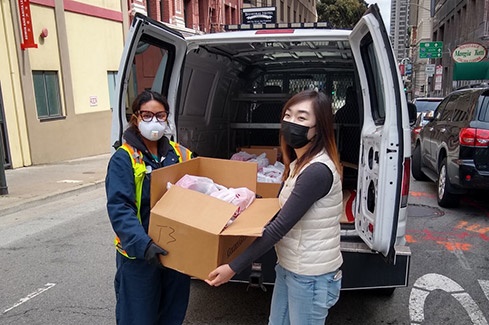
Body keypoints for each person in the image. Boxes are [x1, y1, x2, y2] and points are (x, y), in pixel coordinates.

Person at [206, 89, 343, 324]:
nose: (291, 123)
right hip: (289, 266)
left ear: (318, 128)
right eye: (288, 115)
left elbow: (280, 226)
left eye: (301, 118)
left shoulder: (317, 171)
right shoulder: (298, 163)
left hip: (310, 276)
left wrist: (233, 266)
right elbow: (277, 208)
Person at [105, 90, 194, 325]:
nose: (154, 121)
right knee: (138, 318)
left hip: (176, 250)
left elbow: (204, 189)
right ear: (135, 118)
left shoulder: (180, 153)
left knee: (172, 315)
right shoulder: (124, 158)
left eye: (160, 115)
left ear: (167, 118)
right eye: (147, 115)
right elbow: (119, 208)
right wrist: (143, 245)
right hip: (140, 255)